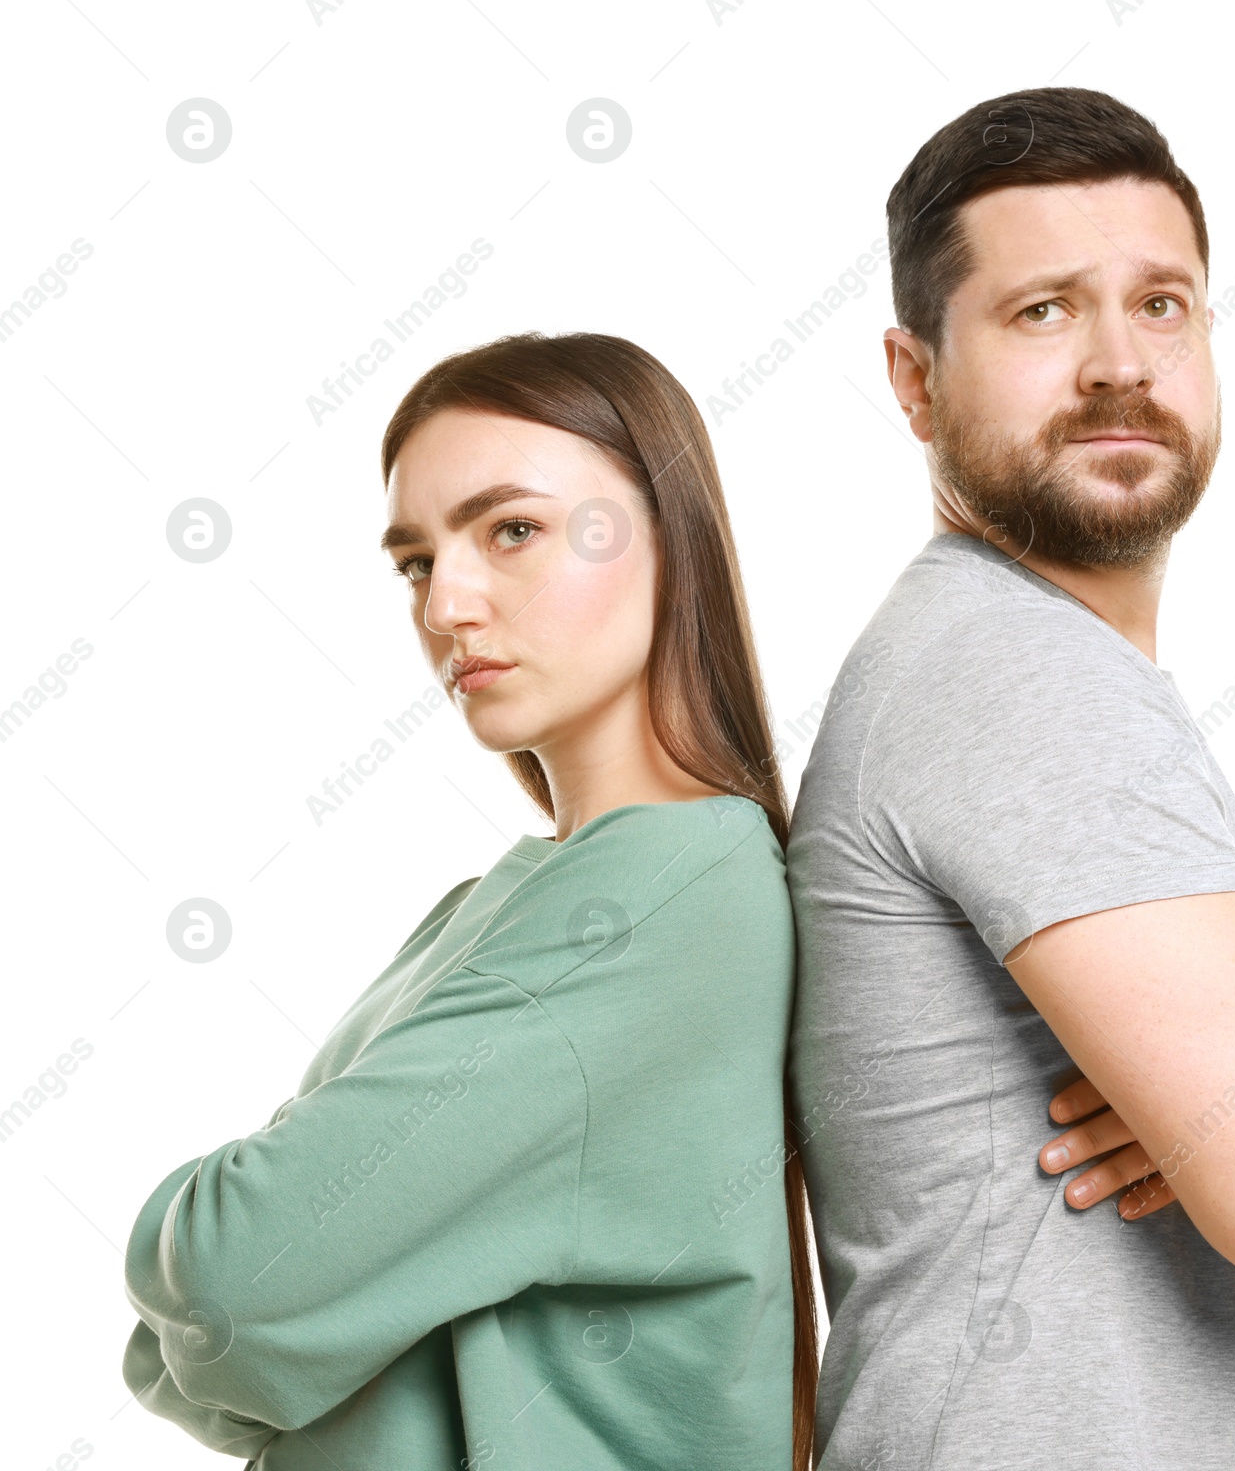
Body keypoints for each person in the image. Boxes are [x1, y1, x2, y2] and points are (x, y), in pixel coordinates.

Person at [786, 87, 1235, 1469]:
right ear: (913, 377)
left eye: (1161, 305)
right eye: (1042, 312)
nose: (1118, 363)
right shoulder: (1017, 677)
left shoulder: (1039, 668)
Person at [120, 332, 819, 1470]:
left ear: (669, 538)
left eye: (512, 530)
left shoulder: (654, 901)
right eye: (413, 560)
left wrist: (242, 1291)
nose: (446, 603)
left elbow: (232, 1288)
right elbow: (222, 1335)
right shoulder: (502, 902)